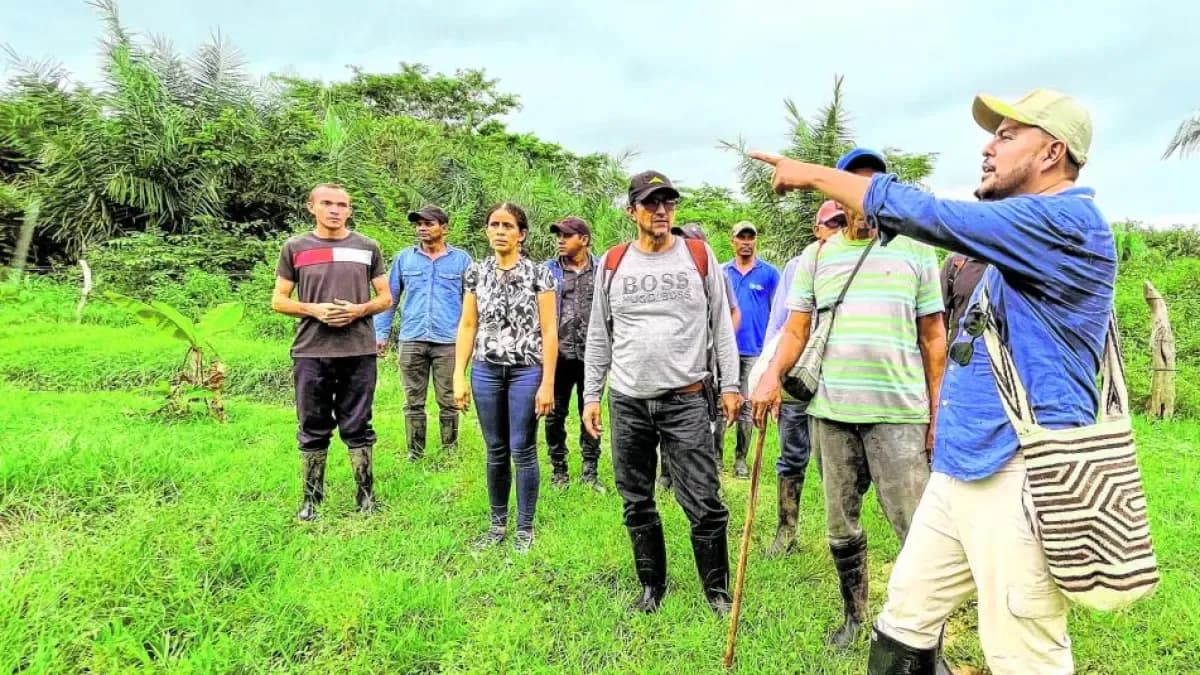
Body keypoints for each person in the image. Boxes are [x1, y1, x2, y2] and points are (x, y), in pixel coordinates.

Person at [750, 88, 1110, 674]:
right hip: (964, 468)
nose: (988, 148)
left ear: (1051, 152)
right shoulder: (1017, 237)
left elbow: (933, 217)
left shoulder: (1066, 222)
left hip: (1021, 472)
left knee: (1024, 651)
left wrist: (814, 176)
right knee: (905, 619)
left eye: (1006, 135)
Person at [751, 147, 947, 651]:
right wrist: (772, 376)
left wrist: (937, 412)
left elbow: (933, 339)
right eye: (852, 182)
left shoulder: (917, 251)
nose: (860, 193)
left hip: (899, 415)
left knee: (917, 531)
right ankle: (854, 616)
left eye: (870, 183)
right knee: (841, 527)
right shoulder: (818, 256)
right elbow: (795, 332)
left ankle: (922, 636)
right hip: (832, 414)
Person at [582, 171, 742, 615]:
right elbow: (600, 333)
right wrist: (592, 396)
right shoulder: (613, 263)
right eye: (651, 204)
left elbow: (721, 326)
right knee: (636, 499)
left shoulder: (698, 255)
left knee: (704, 500)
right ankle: (651, 589)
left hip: (686, 398)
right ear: (631, 211)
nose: (661, 211)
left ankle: (716, 593)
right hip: (629, 400)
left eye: (668, 203)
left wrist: (730, 385)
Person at [271, 183, 392, 521]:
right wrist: (314, 310)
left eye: (342, 205)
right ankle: (311, 499)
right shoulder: (295, 247)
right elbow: (278, 300)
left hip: (358, 349)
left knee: (359, 425)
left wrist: (358, 310)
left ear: (350, 210)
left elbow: (385, 297)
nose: (335, 210)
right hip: (311, 350)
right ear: (312, 207)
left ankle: (365, 496)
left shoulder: (368, 247)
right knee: (312, 425)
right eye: (327, 203)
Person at [453, 202, 558, 554]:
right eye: (494, 224)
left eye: (508, 226)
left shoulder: (539, 274)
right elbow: (468, 325)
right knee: (495, 449)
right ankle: (497, 524)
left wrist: (547, 383)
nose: (500, 231)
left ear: (521, 234)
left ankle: (524, 529)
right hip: (486, 369)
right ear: (486, 230)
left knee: (522, 448)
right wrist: (459, 374)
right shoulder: (475, 273)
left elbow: (549, 330)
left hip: (526, 369)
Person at [760, 199, 846, 558]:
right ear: (817, 228)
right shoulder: (798, 266)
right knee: (792, 454)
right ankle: (786, 530)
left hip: (839, 377)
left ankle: (841, 535)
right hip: (797, 377)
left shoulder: (860, 262)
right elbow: (779, 326)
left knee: (837, 463)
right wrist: (771, 377)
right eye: (830, 225)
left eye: (842, 224)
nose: (836, 232)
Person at [374, 206, 472, 461]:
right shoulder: (405, 258)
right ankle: (415, 452)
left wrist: (474, 340)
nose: (422, 228)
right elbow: (391, 298)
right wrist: (381, 333)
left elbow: (473, 304)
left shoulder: (462, 260)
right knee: (412, 399)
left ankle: (449, 451)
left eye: (428, 223)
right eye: (418, 224)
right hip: (412, 338)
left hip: (449, 341)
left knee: (448, 398)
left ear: (444, 228)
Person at [658, 223, 741, 488]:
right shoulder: (664, 273)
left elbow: (731, 313)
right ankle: (666, 473)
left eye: (690, 240)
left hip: (704, 366)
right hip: (669, 365)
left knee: (707, 421)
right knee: (665, 419)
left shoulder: (713, 271)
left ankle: (707, 474)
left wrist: (718, 343)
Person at [543, 216, 604, 491]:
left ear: (584, 239)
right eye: (559, 235)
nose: (560, 240)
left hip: (593, 355)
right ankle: (559, 470)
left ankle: (590, 472)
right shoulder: (547, 271)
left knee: (590, 411)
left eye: (567, 235)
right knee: (554, 414)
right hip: (559, 355)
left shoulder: (603, 270)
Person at [724, 221, 780, 478]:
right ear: (732, 240)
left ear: (756, 241)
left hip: (755, 349)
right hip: (725, 350)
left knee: (747, 405)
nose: (746, 242)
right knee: (720, 403)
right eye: (741, 237)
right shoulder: (722, 272)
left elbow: (779, 315)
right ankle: (715, 458)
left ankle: (740, 460)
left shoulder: (769, 274)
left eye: (751, 237)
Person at [940, 252, 986, 341]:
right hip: (958, 349)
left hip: (997, 351)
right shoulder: (955, 263)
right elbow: (939, 318)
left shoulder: (1009, 264)